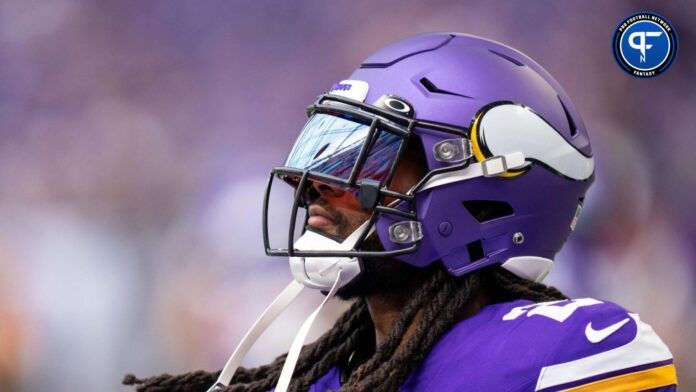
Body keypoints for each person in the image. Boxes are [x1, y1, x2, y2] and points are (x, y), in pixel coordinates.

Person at [125, 33, 678, 392]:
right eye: (327, 150)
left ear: (484, 192)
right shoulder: (319, 373)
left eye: (371, 158)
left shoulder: (566, 351)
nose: (317, 184)